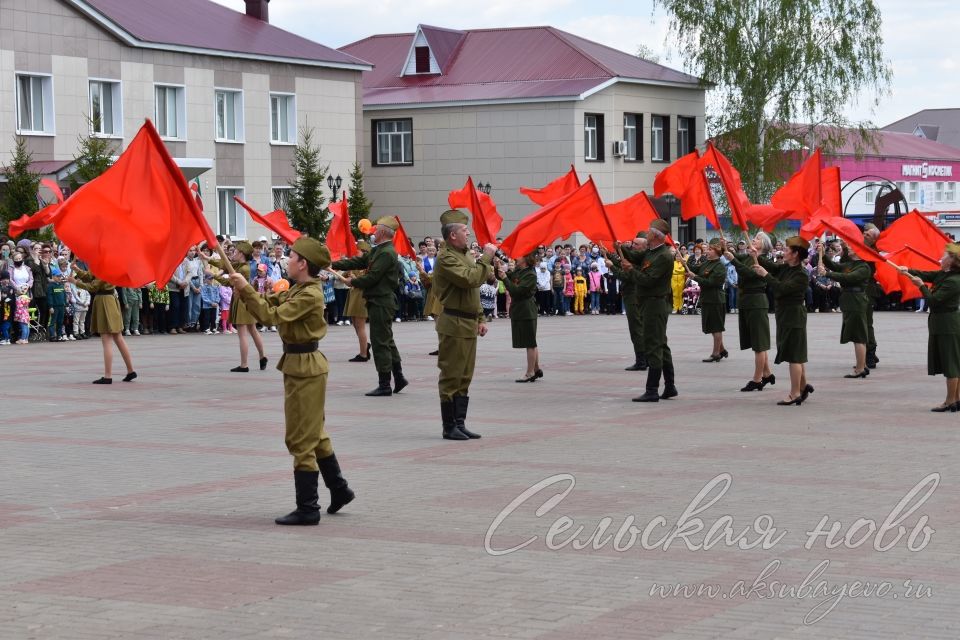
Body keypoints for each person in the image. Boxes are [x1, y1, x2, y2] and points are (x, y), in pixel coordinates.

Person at [228, 236, 354, 525]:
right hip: (300, 365)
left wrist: (245, 288)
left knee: (300, 437)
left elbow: (270, 316)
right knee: (315, 433)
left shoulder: (310, 294)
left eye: (292, 256)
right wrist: (241, 286)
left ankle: (308, 507)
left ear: (303, 264)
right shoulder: (299, 289)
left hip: (305, 367)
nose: (287, 260)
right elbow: (267, 301)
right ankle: (339, 488)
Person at [432, 209, 496, 440]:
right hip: (454, 322)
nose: (468, 233)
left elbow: (473, 291)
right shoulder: (446, 257)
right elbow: (470, 279)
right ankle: (449, 426)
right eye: (464, 230)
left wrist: (480, 318)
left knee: (465, 376)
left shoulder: (464, 254)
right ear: (452, 236)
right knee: (451, 375)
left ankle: (460, 423)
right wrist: (486, 257)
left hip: (468, 322)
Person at [332, 217, 408, 397]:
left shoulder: (386, 252)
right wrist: (332, 263)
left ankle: (385, 385)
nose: (373, 231)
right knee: (387, 341)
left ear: (382, 232)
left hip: (381, 301)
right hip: (378, 300)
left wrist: (354, 281)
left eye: (376, 229)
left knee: (380, 342)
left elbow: (373, 276)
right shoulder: (379, 250)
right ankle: (398, 377)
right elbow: (358, 262)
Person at [894, 245, 960, 411]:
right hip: (942, 323)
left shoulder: (954, 281)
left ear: (952, 261)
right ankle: (956, 399)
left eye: (944, 256)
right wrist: (907, 270)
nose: (941, 258)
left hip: (948, 324)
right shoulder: (945, 275)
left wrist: (921, 286)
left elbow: (933, 301)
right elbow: (925, 274)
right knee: (952, 362)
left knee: (951, 364)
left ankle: (950, 401)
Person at [750, 236, 813, 406]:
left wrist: (765, 276)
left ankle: (794, 394)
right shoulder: (787, 267)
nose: (783, 252)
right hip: (785, 314)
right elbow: (771, 267)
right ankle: (802, 386)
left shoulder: (801, 274)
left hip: (794, 315)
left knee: (794, 356)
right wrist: (757, 255)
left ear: (795, 254)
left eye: (787, 250)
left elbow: (781, 288)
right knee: (796, 353)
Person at [629, 219, 678, 402]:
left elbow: (648, 280)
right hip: (649, 303)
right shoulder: (652, 251)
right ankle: (670, 386)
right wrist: (619, 249)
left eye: (649, 232)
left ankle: (652, 390)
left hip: (655, 304)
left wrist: (630, 271)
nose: (646, 234)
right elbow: (636, 257)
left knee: (653, 345)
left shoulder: (664, 256)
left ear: (656, 235)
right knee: (661, 345)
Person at [724, 234, 775, 392]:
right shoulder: (749, 256)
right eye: (754, 238)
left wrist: (733, 259)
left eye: (757, 239)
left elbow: (749, 273)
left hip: (757, 301)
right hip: (746, 301)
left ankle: (757, 379)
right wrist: (724, 246)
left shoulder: (763, 260)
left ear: (764, 245)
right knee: (756, 341)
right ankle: (767, 374)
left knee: (759, 344)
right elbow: (734, 256)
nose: (753, 240)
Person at [208, 241, 268, 372]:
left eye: (235, 251)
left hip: (242, 301)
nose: (233, 253)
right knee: (252, 329)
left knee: (242, 334)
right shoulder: (241, 265)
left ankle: (244, 364)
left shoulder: (243, 268)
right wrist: (206, 258)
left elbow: (229, 282)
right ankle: (263, 357)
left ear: (241, 254)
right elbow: (224, 264)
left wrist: (214, 276)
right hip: (246, 300)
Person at [70, 267, 136, 384]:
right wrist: (77, 269)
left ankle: (108, 376)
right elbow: (90, 276)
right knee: (118, 337)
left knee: (107, 339)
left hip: (104, 301)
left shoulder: (105, 266)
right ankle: (131, 371)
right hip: (110, 300)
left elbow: (93, 286)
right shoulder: (109, 264)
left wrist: (75, 282)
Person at [820, 240, 872, 378]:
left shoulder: (864, 267)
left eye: (852, 247)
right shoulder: (851, 264)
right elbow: (834, 266)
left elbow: (848, 277)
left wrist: (827, 274)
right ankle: (863, 365)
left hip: (856, 300)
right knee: (856, 334)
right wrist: (823, 253)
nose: (848, 248)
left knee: (858, 335)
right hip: (850, 301)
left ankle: (860, 368)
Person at [498, 251, 541, 383]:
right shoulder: (519, 271)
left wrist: (505, 277)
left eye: (520, 255)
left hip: (527, 310)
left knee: (530, 343)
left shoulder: (530, 274)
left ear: (526, 259)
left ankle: (529, 373)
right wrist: (497, 267)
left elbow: (516, 291)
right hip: (519, 310)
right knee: (530, 341)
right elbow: (503, 277)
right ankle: (537, 369)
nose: (516, 257)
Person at [686, 238, 728, 362]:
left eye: (710, 249)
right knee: (711, 326)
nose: (707, 251)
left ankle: (716, 354)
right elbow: (695, 269)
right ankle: (722, 349)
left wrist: (696, 277)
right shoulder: (707, 263)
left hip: (715, 299)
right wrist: (685, 262)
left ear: (717, 252)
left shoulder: (719, 266)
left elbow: (712, 283)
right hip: (707, 298)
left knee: (716, 327)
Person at [611, 233, 648, 371]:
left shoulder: (642, 260)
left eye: (636, 244)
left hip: (634, 296)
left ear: (645, 247)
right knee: (638, 328)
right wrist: (609, 256)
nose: (633, 246)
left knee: (636, 329)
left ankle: (641, 360)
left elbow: (625, 275)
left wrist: (612, 267)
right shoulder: (637, 258)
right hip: (632, 295)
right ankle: (645, 359)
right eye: (633, 243)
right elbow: (622, 263)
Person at [343, 240, 372, 362]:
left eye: (357, 251)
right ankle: (365, 346)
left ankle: (363, 354)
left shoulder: (369, 265)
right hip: (353, 295)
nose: (355, 253)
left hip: (362, 296)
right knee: (355, 324)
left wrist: (356, 279)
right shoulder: (354, 264)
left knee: (360, 326)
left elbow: (368, 280)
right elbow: (345, 279)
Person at [862, 223, 881, 368]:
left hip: (867, 291)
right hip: (860, 291)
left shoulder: (874, 251)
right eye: (864, 232)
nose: (863, 235)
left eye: (867, 234)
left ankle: (870, 353)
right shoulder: (861, 248)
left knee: (867, 324)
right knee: (863, 324)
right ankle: (869, 353)